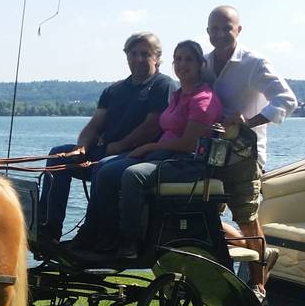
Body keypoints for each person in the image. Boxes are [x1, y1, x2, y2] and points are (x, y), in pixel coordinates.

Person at [36, 32, 175, 243]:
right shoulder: (114, 89)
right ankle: (48, 230)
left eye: (145, 54)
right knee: (58, 155)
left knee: (103, 166)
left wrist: (119, 146)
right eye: (133, 53)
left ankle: (92, 234)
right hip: (109, 151)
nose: (138, 59)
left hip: (140, 155)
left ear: (157, 57)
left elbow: (151, 127)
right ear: (126, 55)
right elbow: (95, 123)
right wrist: (81, 147)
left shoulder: (163, 85)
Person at [91, 40, 223, 258]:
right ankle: (103, 236)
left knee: (134, 175)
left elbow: (188, 144)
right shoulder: (179, 95)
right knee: (104, 167)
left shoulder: (203, 100)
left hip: (187, 163)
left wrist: (147, 147)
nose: (182, 64)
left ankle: (130, 242)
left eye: (189, 59)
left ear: (201, 64)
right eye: (178, 59)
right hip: (164, 155)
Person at [206, 5, 297, 301]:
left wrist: (247, 122)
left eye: (226, 28)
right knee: (204, 217)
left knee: (246, 218)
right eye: (214, 29)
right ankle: (256, 260)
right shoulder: (204, 64)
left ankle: (258, 285)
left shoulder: (254, 63)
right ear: (208, 32)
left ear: (238, 30)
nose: (220, 34)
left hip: (246, 156)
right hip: (212, 154)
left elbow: (286, 100)